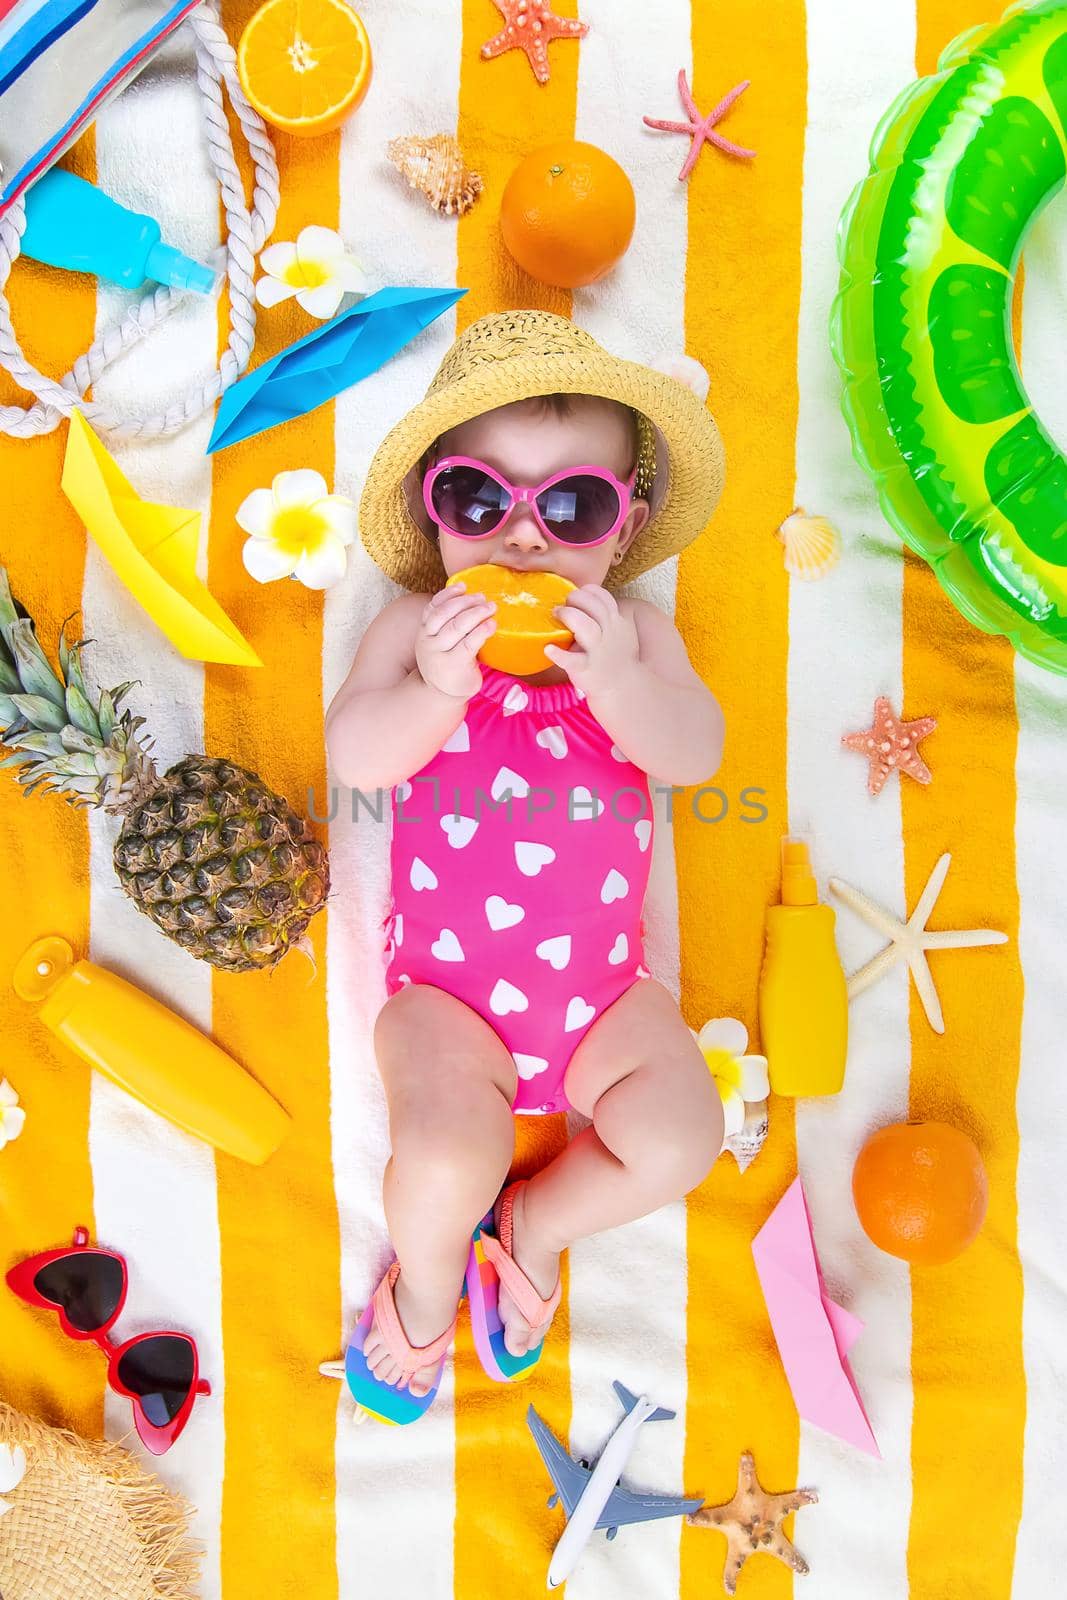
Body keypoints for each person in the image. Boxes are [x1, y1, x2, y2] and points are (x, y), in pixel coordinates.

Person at [327, 309, 727, 1419]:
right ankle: (420, 1292)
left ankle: (537, 1224)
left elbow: (695, 754)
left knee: (683, 1131)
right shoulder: (418, 629)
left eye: (570, 506)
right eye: (477, 499)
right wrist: (435, 692)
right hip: (447, 1000)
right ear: (432, 507)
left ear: (623, 524)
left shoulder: (635, 639)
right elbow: (353, 754)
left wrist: (616, 688)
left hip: (603, 996)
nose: (522, 540)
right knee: (447, 1156)